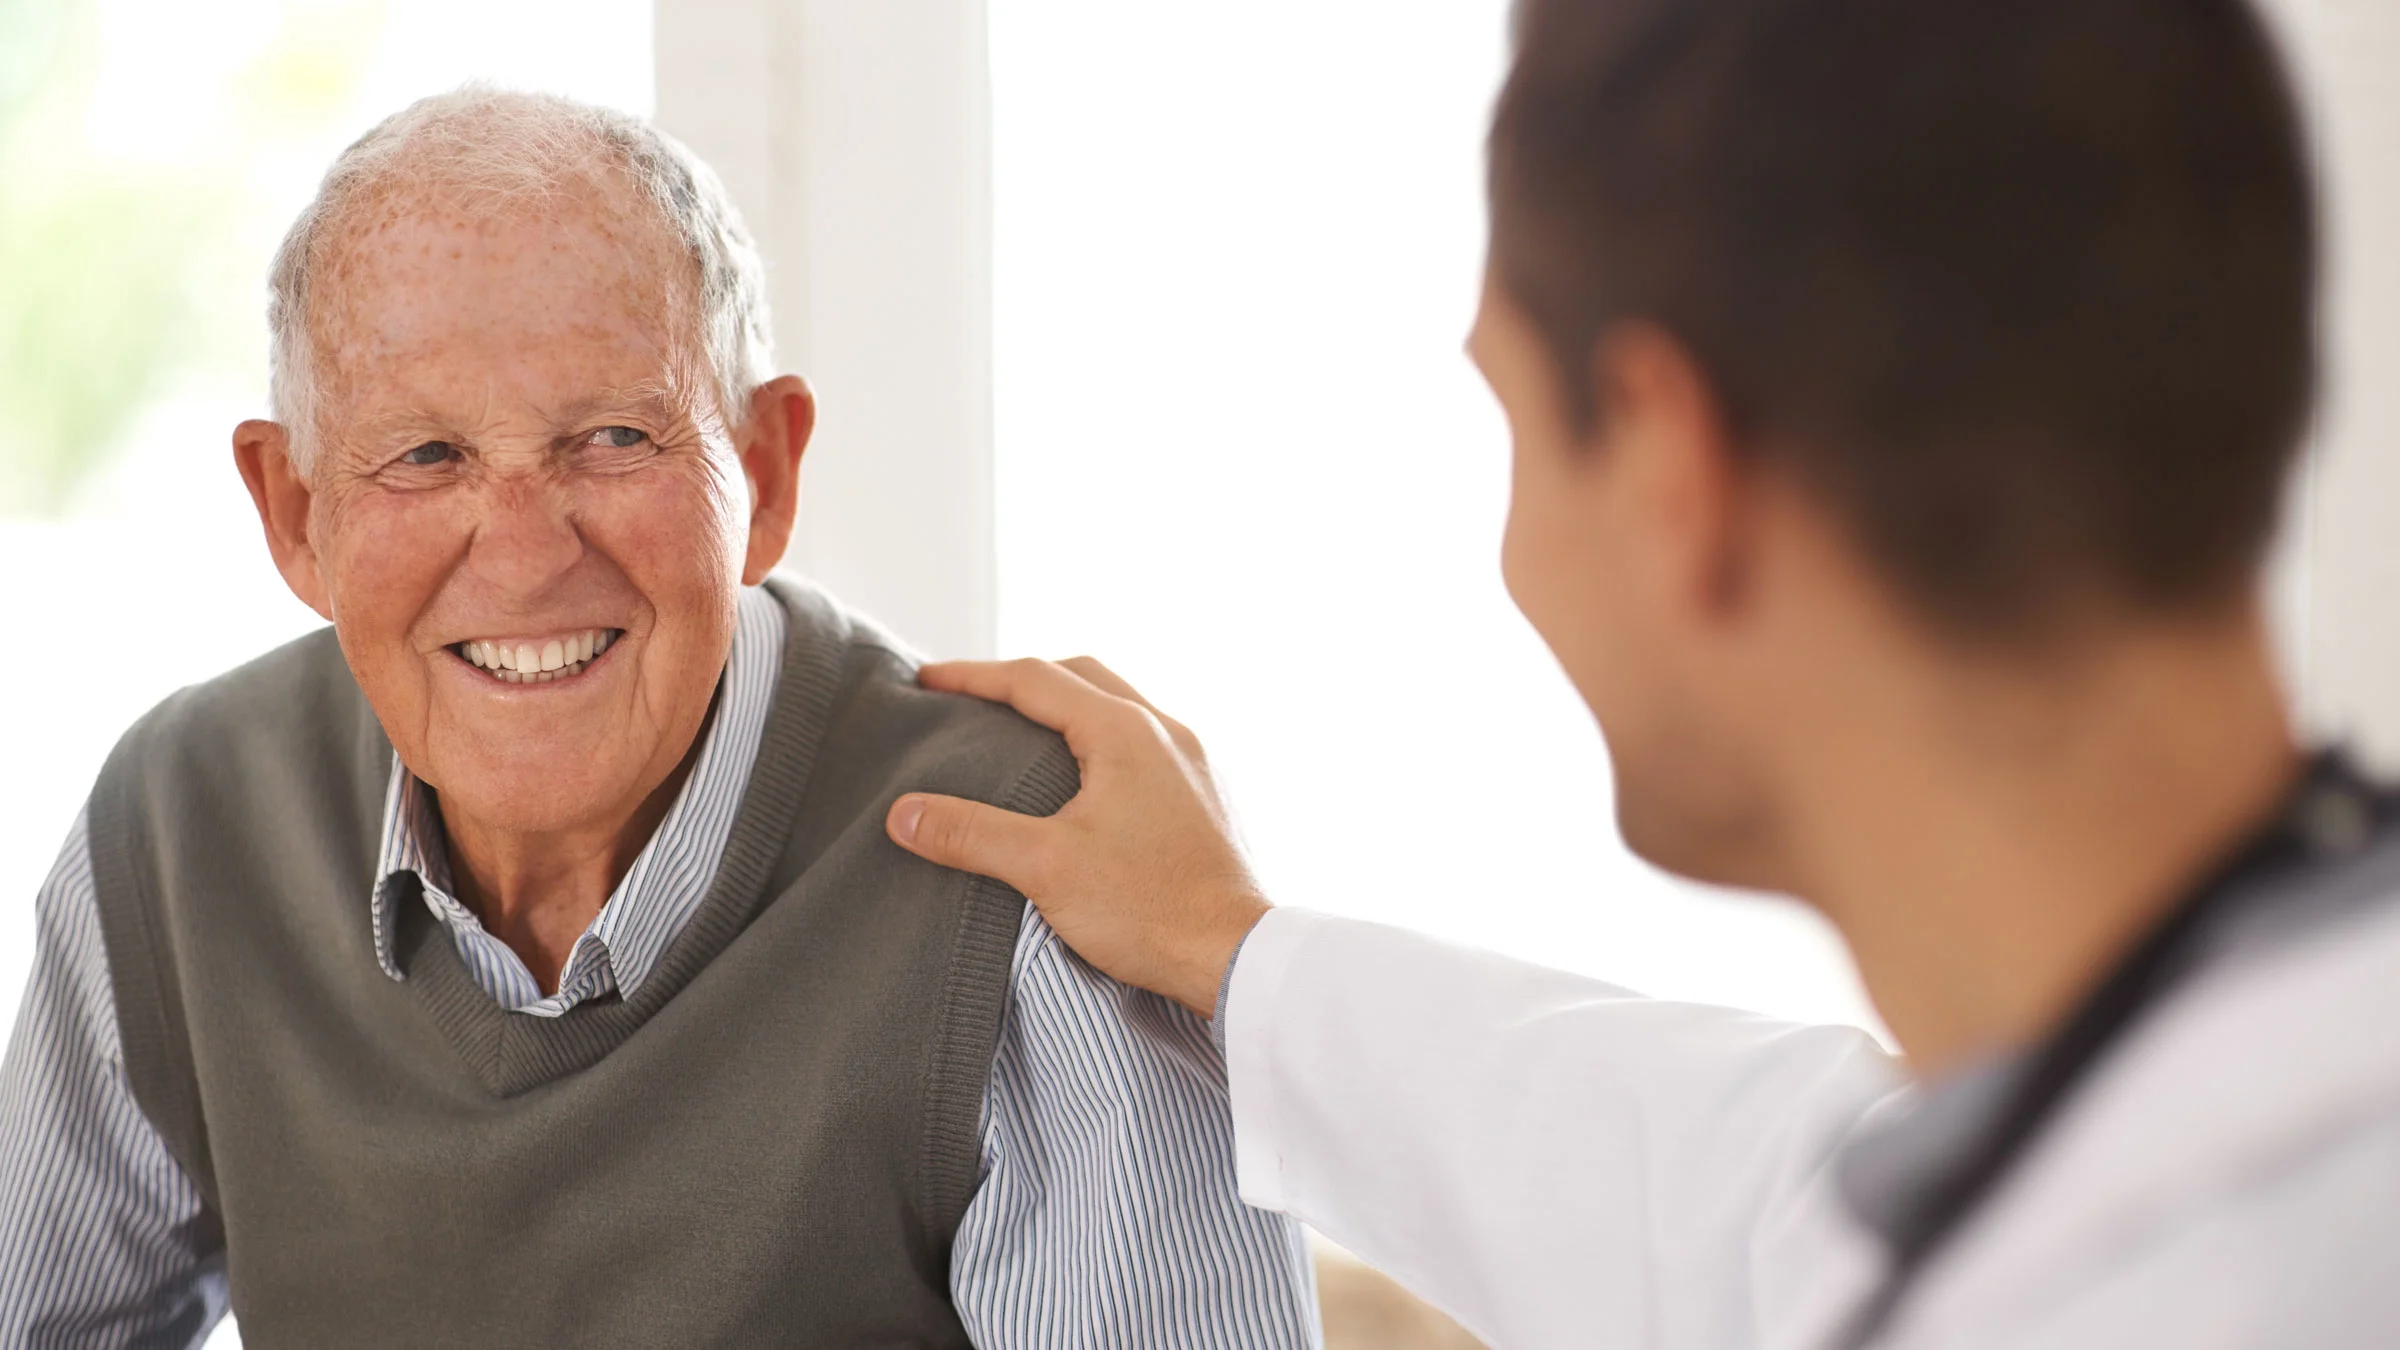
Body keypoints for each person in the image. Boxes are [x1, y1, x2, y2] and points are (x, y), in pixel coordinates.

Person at [883, 1, 2400, 1346]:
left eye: (1516, 425)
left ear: (1673, 467)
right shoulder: (2162, 1126)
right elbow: (1729, 1189)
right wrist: (1235, 948)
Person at [0, 90, 1319, 1347]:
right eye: (426, 455)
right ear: (295, 515)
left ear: (767, 466)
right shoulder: (180, 826)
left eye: (616, 437)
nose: (520, 557)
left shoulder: (1034, 872)